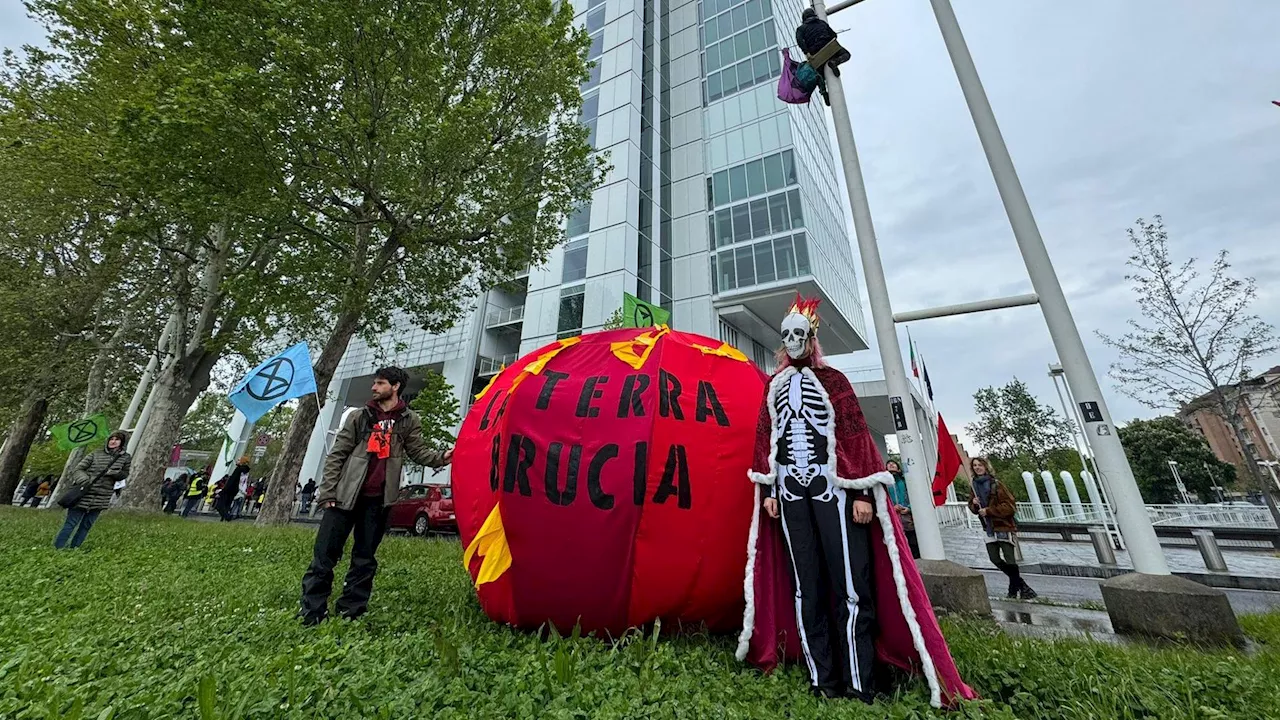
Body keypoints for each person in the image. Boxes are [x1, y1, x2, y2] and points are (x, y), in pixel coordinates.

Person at [740, 296, 975, 708]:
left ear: (811, 338)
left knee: (851, 585)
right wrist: (772, 490)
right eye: (786, 335)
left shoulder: (835, 382)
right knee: (805, 586)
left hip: (836, 490)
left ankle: (860, 679)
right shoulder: (773, 386)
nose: (792, 341)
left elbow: (855, 440)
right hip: (792, 492)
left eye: (799, 334)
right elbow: (768, 441)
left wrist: (864, 491)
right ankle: (822, 677)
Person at [300, 366, 454, 625]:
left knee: (365, 558)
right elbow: (337, 454)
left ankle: (351, 610)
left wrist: (442, 457)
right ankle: (312, 611)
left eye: (380, 383)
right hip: (344, 497)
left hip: (379, 501)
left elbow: (418, 452)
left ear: (395, 387)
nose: (374, 387)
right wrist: (327, 492)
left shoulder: (408, 420)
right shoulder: (359, 417)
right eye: (374, 383)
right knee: (325, 555)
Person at [968, 457, 1036, 600]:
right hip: (988, 527)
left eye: (980, 465)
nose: (977, 467)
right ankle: (1022, 585)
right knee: (994, 558)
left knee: (1010, 559)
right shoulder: (974, 486)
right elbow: (974, 509)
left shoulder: (996, 485)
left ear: (986, 466)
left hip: (1002, 526)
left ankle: (1013, 589)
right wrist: (973, 504)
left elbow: (1010, 506)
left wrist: (989, 511)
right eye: (975, 465)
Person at [55, 430, 132, 549]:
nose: (113, 441)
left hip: (102, 495)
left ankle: (75, 547)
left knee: (87, 524)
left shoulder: (125, 457)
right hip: (84, 492)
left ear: (122, 442)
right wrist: (85, 480)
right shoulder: (95, 453)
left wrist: (115, 474)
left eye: (117, 440)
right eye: (111, 439)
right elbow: (79, 469)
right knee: (71, 523)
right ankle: (58, 547)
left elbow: (125, 473)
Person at [885, 460, 920, 559]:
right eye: (889, 464)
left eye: (894, 463)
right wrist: (891, 508)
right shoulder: (884, 484)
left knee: (912, 539)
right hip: (892, 515)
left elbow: (913, 496)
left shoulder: (905, 481)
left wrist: (909, 508)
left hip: (906, 515)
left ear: (898, 467)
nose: (891, 464)